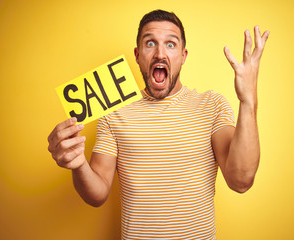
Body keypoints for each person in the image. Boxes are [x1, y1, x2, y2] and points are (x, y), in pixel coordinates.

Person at [48, 9, 269, 240]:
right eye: (150, 43)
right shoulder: (114, 114)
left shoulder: (211, 105)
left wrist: (248, 100)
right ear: (137, 54)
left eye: (171, 44)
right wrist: (78, 164)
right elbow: (97, 194)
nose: (160, 53)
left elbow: (241, 180)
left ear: (183, 56)